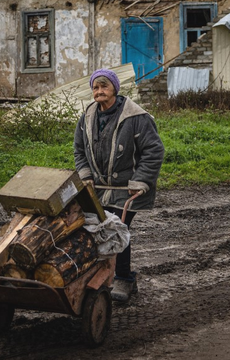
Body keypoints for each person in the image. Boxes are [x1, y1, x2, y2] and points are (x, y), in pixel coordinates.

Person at [74, 68, 164, 302]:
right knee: (89, 228)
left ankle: (124, 279)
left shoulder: (135, 117)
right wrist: (86, 176)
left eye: (104, 86)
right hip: (100, 188)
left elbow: (154, 151)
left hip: (127, 189)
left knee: (115, 229)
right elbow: (79, 150)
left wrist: (141, 180)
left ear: (115, 88)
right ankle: (96, 276)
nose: (99, 91)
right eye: (95, 87)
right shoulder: (88, 116)